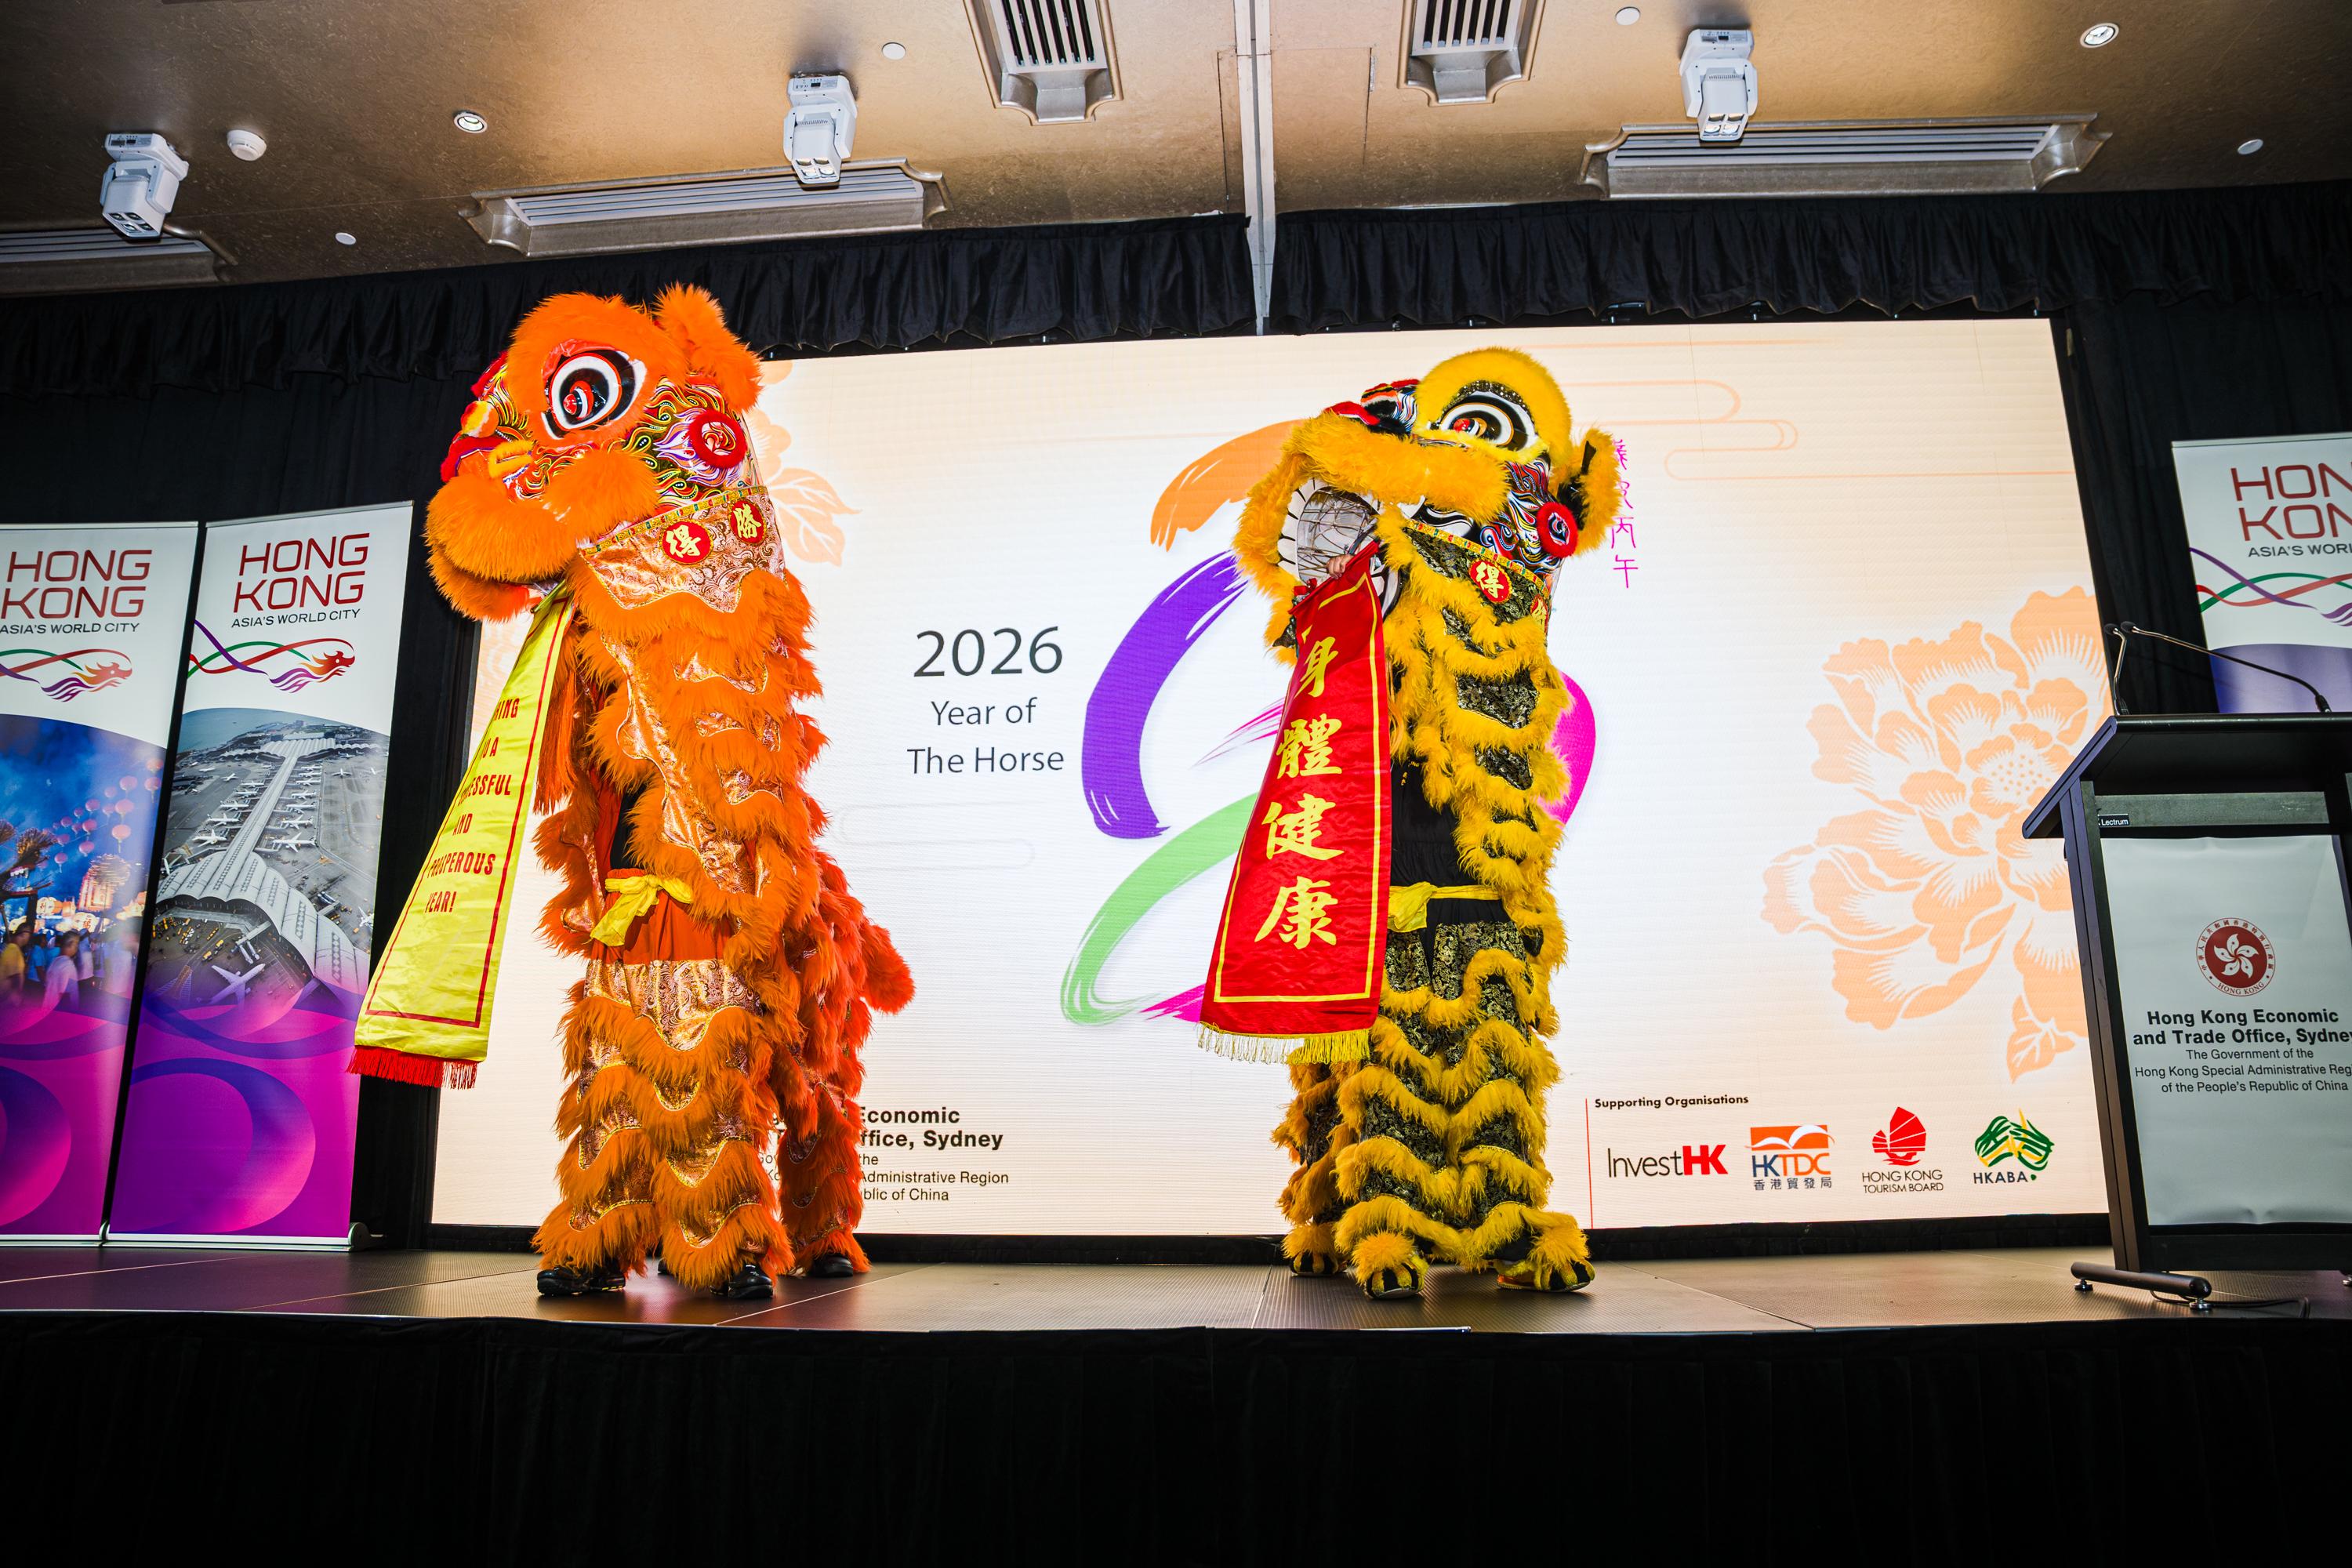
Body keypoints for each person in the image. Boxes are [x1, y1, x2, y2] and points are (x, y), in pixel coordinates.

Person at [354, 285, 912, 1301]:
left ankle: (753, 1229)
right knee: (613, 1052)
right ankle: (599, 1227)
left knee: (766, 1057)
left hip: (716, 856)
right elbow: (485, 548)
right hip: (623, 861)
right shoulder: (593, 613)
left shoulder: (699, 497)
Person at [1199, 349, 1620, 1299]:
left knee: (1494, 1021)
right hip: (1378, 820)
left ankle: (1504, 1209)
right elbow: (1296, 550)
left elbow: (1529, 508)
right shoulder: (1379, 555)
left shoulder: (1519, 544)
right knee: (1371, 1027)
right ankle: (1363, 1207)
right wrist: (1341, 477)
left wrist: (1396, 465)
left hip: (1491, 823)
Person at [42, 932, 81, 1011]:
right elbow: (64, 994)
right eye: (76, 945)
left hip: (49, 1006)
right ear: (71, 944)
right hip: (62, 1010)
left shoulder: (55, 961)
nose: (77, 948)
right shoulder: (68, 964)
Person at [0, 923, 30, 1003]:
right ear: (25, 934)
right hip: (7, 997)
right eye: (29, 934)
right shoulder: (13, 949)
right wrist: (16, 994)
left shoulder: (14, 949)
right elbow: (14, 976)